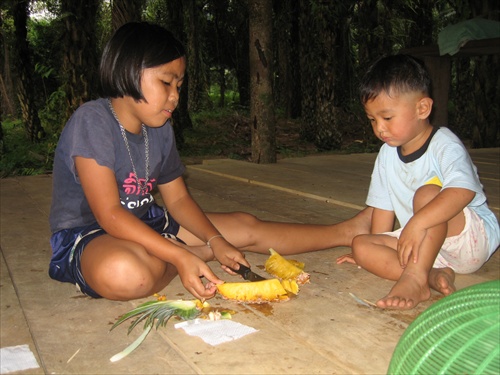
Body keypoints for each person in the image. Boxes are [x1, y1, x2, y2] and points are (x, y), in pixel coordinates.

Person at [49, 21, 371, 302]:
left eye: (179, 85)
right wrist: (178, 254)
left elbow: (177, 199)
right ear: (130, 71)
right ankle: (186, 257)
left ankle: (345, 231)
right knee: (128, 273)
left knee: (243, 226)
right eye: (166, 82)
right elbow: (110, 215)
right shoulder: (93, 121)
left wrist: (215, 240)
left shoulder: (160, 129)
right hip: (89, 236)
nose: (175, 95)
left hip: (149, 225)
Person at [336, 54, 500, 310]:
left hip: (468, 239)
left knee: (427, 195)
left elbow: (463, 191)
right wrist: (370, 254)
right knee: (362, 244)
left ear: (422, 109)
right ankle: (432, 276)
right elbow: (383, 209)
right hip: (427, 245)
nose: (379, 128)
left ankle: (414, 277)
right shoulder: (386, 154)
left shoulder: (444, 143)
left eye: (387, 118)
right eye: (372, 120)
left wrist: (417, 223)